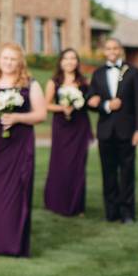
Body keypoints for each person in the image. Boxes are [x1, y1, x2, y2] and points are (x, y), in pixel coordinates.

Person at [0, 42, 46, 257]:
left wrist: (17, 117)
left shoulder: (30, 84)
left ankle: (14, 244)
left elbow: (41, 114)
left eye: (13, 59)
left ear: (20, 62)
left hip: (20, 146)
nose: (8, 62)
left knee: (18, 192)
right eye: (5, 58)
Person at [87, 38, 138, 223]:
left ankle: (127, 213)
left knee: (127, 173)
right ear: (104, 51)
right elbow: (91, 101)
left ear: (120, 50)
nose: (112, 51)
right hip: (105, 131)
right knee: (108, 173)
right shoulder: (97, 73)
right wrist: (106, 105)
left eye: (115, 47)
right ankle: (111, 212)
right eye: (108, 48)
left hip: (127, 131)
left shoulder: (133, 72)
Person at [43, 48, 93, 217]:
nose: (70, 62)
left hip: (80, 126)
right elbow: (46, 104)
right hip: (61, 127)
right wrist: (62, 107)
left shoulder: (84, 81)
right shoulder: (54, 81)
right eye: (66, 58)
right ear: (61, 61)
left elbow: (90, 102)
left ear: (77, 62)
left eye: (73, 58)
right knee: (60, 164)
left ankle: (77, 205)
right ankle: (57, 203)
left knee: (78, 166)